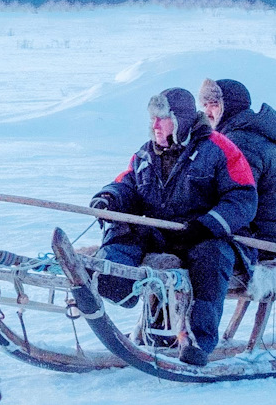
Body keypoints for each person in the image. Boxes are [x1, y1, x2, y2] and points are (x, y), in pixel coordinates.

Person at [88, 87, 256, 367]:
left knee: (211, 257)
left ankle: (197, 342)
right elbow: (127, 184)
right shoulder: (144, 155)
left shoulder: (219, 149)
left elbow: (243, 197)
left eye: (162, 118)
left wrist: (207, 225)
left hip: (207, 235)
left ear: (180, 119)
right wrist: (109, 198)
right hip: (163, 233)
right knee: (124, 227)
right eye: (152, 118)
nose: (154, 125)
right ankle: (113, 281)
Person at [198, 78, 276, 262]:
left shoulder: (243, 141)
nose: (207, 112)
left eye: (213, 104)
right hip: (268, 234)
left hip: (261, 240)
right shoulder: (244, 134)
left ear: (229, 106)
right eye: (205, 105)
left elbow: (239, 198)